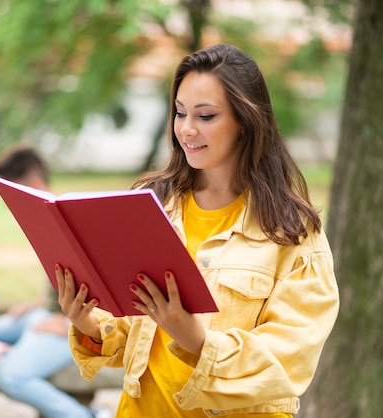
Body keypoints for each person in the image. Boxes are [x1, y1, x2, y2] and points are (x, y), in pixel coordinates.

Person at [56, 43, 340, 417]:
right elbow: (134, 333)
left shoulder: (293, 234)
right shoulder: (151, 203)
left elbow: (287, 363)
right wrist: (89, 323)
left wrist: (198, 340)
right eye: (179, 113)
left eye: (205, 116)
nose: (186, 129)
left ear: (246, 121)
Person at [0, 143, 112, 418]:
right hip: (45, 314)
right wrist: (34, 304)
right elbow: (62, 280)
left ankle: (89, 415)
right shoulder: (44, 216)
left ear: (33, 184)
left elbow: (108, 292)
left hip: (74, 325)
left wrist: (71, 322)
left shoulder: (76, 219)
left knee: (9, 375)